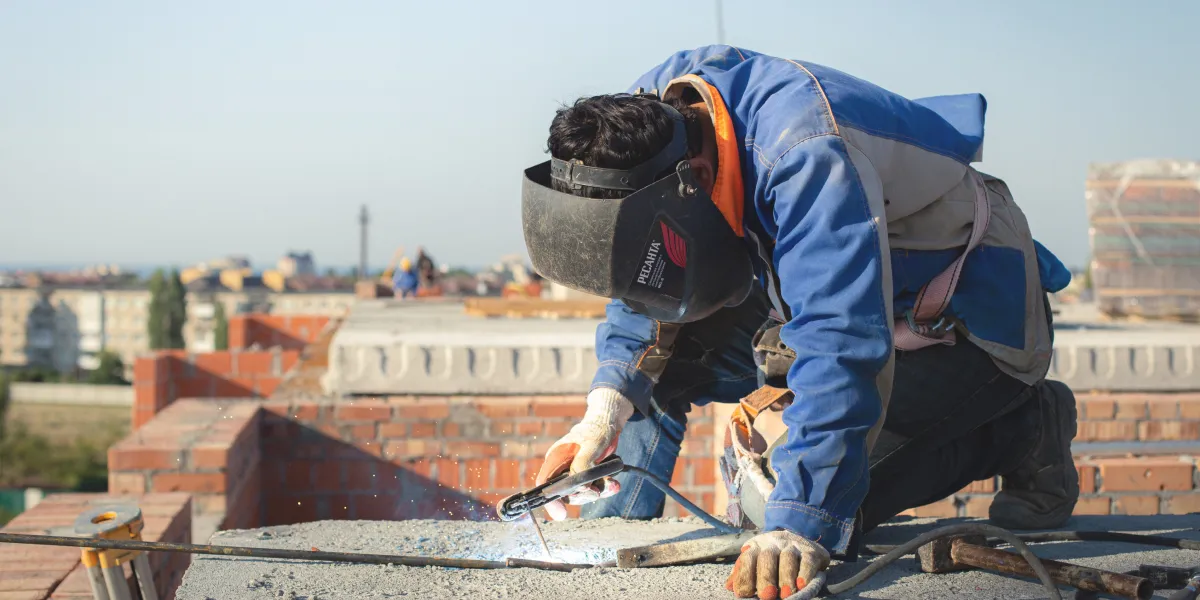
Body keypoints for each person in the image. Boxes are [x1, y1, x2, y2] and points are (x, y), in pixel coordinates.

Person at [519, 45, 1077, 600]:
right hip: (837, 298)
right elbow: (645, 282)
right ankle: (611, 533)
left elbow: (841, 340)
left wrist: (799, 521)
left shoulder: (806, 154)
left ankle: (1024, 430)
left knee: (804, 511)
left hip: (965, 319)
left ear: (693, 177)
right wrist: (604, 411)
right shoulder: (653, 118)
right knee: (654, 377)